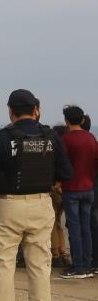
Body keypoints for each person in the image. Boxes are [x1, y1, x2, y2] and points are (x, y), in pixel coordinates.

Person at [0, 89, 72, 301]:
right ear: (36, 110)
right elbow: (66, 172)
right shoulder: (51, 136)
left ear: (10, 110)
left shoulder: (3, 137)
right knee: (40, 266)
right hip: (42, 204)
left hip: (9, 205)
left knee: (4, 266)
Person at [59, 105, 98, 279]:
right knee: (86, 228)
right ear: (82, 120)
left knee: (74, 229)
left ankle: (78, 266)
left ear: (67, 121)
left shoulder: (66, 139)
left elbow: (61, 164)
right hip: (89, 188)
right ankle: (88, 265)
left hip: (72, 189)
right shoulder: (91, 138)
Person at [50, 125, 71, 268]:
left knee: (52, 223)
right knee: (58, 222)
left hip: (55, 190)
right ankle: (63, 251)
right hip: (66, 191)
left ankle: (55, 253)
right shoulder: (67, 151)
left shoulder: (56, 151)